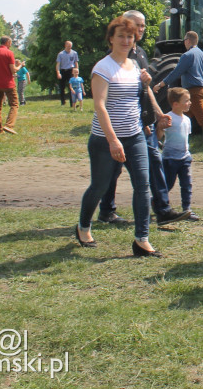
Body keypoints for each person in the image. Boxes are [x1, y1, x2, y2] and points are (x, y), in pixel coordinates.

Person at [76, 16, 161, 257]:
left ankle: (142, 239)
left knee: (143, 186)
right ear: (111, 38)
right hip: (105, 140)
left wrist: (146, 86)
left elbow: (134, 100)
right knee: (100, 186)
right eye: (121, 36)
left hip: (134, 136)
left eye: (130, 36)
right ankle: (83, 226)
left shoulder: (134, 67)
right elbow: (100, 106)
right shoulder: (103, 68)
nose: (126, 40)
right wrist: (113, 140)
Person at [97, 10, 188, 228]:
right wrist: (143, 121)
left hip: (141, 123)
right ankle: (107, 211)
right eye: (136, 25)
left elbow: (145, 90)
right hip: (127, 125)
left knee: (151, 164)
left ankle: (159, 210)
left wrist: (157, 114)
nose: (140, 30)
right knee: (115, 170)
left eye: (143, 26)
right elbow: (117, 98)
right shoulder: (120, 56)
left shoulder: (140, 54)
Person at [153, 31, 203, 162]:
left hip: (193, 93)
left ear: (187, 41)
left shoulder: (187, 55)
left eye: (184, 41)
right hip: (202, 90)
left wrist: (161, 84)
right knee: (181, 117)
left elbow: (176, 72)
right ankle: (164, 142)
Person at [159, 88, 199, 221]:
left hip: (185, 158)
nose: (190, 103)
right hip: (170, 158)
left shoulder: (187, 120)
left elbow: (186, 138)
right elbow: (159, 136)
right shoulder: (168, 117)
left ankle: (186, 209)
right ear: (175, 104)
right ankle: (157, 202)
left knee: (187, 184)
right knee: (168, 184)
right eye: (186, 101)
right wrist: (160, 127)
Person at [56, 41, 80, 106]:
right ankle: (63, 102)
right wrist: (58, 73)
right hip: (63, 71)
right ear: (65, 46)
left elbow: (76, 62)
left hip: (71, 71)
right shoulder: (61, 54)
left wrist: (76, 71)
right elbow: (58, 64)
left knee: (71, 87)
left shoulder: (74, 53)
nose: (70, 47)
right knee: (62, 87)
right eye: (68, 46)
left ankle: (72, 103)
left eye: (70, 46)